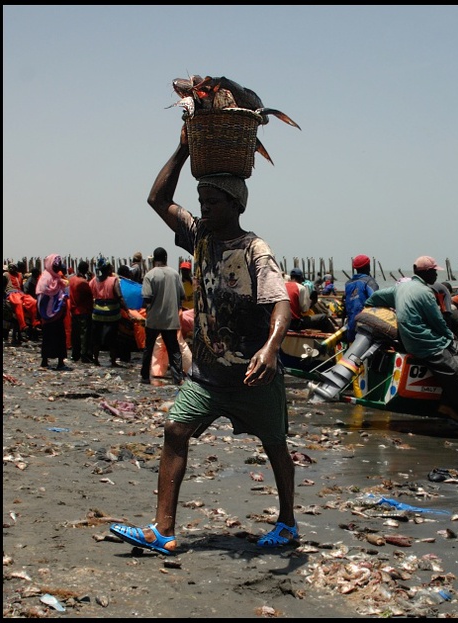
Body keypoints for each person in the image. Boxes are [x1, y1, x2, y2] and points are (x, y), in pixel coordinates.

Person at [108, 126, 296, 556]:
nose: (204, 209)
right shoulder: (201, 237)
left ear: (235, 205)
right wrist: (181, 148)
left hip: (252, 375)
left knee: (275, 445)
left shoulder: (254, 249)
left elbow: (280, 305)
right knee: (176, 429)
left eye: (212, 203)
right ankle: (163, 531)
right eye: (201, 203)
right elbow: (157, 199)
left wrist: (270, 348)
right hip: (207, 374)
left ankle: (287, 522)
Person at [365, 256, 458, 438]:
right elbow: (438, 322)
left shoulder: (401, 287)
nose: (436, 276)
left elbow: (374, 298)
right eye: (434, 272)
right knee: (456, 374)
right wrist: (450, 337)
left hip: (416, 339)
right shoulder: (425, 293)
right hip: (425, 342)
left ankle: (448, 405)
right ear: (427, 273)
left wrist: (372, 311)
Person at [140, 247, 185, 385]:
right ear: (166, 257)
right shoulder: (174, 274)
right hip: (170, 319)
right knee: (174, 350)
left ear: (154, 259)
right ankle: (177, 378)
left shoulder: (150, 275)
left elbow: (146, 298)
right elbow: (182, 295)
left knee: (149, 348)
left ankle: (145, 377)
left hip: (154, 319)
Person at [90, 257, 127, 367]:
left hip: (97, 314)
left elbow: (90, 294)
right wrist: (127, 310)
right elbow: (119, 297)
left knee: (96, 338)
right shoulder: (113, 280)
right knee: (112, 339)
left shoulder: (93, 281)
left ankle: (95, 359)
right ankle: (113, 361)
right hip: (112, 314)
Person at [35, 254, 71, 370]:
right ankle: (45, 360)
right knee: (47, 337)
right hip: (47, 314)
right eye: (55, 267)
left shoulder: (57, 279)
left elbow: (62, 293)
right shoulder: (45, 278)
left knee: (60, 337)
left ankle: (60, 361)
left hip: (58, 314)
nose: (57, 269)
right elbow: (42, 296)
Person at [342, 254, 379, 341]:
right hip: (365, 327)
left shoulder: (348, 284)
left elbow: (345, 305)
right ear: (368, 267)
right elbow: (376, 300)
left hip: (351, 326)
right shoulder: (369, 282)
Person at [68, 260, 94, 363]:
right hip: (83, 310)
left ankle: (75, 354)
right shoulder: (83, 282)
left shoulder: (72, 279)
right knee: (84, 335)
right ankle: (84, 355)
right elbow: (90, 294)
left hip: (74, 310)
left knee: (75, 334)